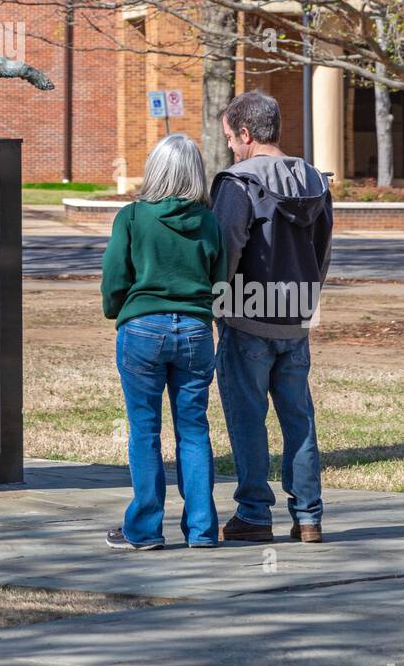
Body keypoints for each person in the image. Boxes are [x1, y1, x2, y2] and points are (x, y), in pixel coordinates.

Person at [211, 90, 333, 544]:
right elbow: (322, 252)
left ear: (246, 133)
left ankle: (255, 515)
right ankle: (308, 517)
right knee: (299, 416)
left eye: (230, 137)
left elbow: (225, 248)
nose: (229, 147)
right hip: (296, 313)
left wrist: (216, 302)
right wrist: (305, 299)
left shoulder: (237, 182)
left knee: (248, 418)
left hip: (246, 314)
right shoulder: (315, 180)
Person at [101, 134, 227, 549]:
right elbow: (220, 281)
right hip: (194, 331)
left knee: (145, 430)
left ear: (156, 169)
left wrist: (118, 308)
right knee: (193, 430)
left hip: (142, 329)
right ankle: (203, 529)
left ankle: (145, 529)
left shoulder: (133, 217)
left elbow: (114, 280)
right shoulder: (209, 222)